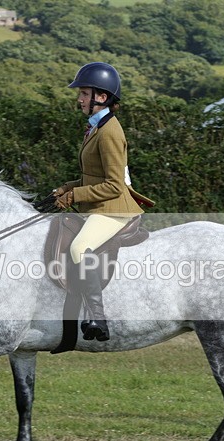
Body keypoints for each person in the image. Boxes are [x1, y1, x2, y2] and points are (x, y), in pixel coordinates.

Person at [53, 61, 155, 342]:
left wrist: (75, 196)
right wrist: (66, 188)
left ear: (101, 96)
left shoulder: (110, 132)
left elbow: (112, 185)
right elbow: (92, 176)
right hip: (102, 205)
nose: (79, 99)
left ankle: (98, 318)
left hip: (114, 209)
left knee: (79, 247)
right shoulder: (97, 126)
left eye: (84, 93)